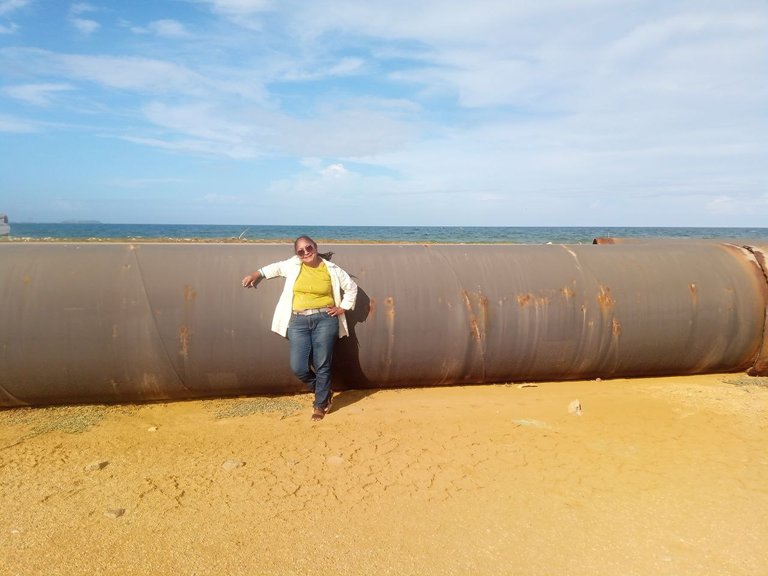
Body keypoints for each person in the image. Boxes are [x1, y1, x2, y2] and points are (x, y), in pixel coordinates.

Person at [242, 236, 358, 420]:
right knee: (299, 367)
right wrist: (256, 274)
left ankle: (320, 405)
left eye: (308, 248)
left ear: (315, 247)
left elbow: (351, 287)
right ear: (297, 254)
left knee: (322, 363)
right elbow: (276, 268)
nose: (305, 253)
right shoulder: (294, 265)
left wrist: (343, 307)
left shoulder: (332, 269)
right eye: (300, 251)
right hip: (298, 321)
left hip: (325, 319)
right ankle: (324, 391)